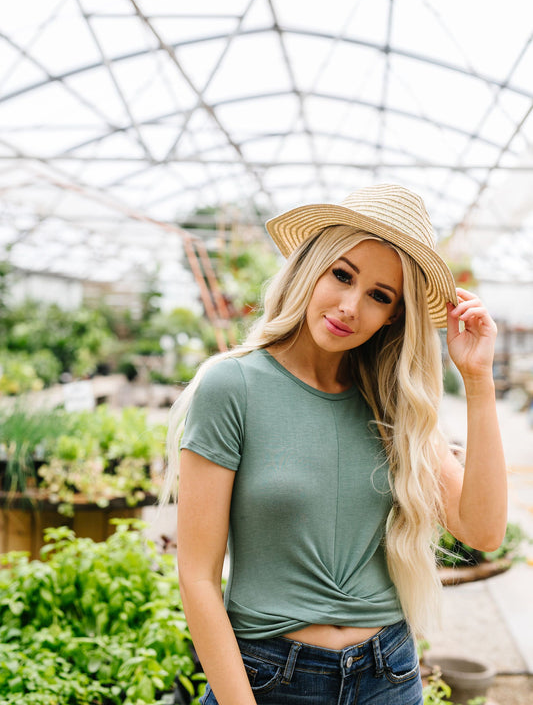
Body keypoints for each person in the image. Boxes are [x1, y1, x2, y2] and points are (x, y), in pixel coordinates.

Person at [162, 184, 507, 705]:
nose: (350, 306)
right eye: (342, 274)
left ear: (395, 315)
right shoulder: (232, 387)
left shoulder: (395, 404)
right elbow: (198, 577)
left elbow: (482, 529)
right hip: (267, 679)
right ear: (311, 268)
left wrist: (478, 382)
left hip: (387, 675)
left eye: (379, 295)